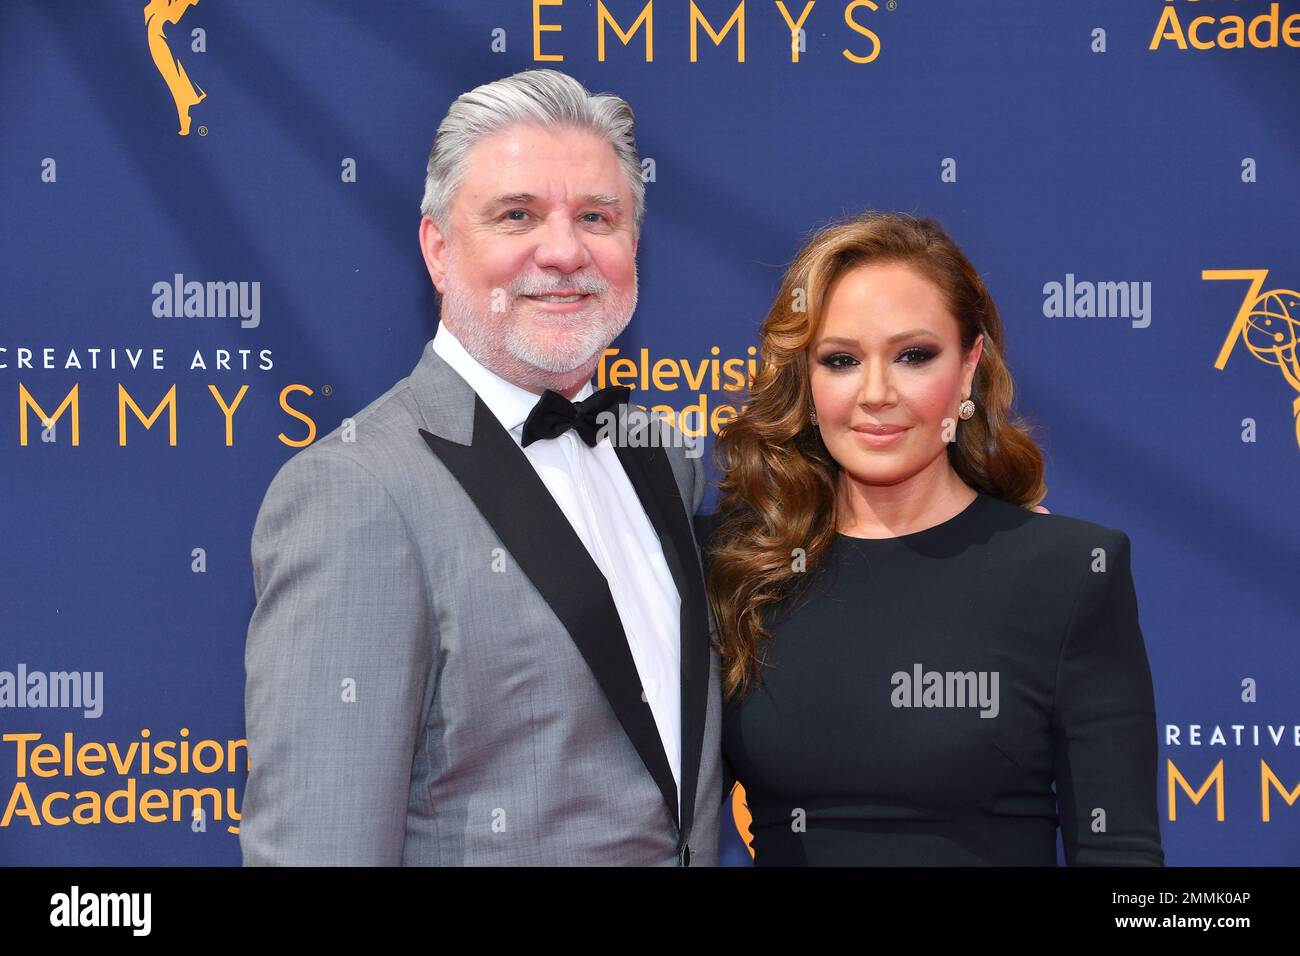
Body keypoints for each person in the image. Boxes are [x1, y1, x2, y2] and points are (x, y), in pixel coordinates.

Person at [240, 69, 721, 866]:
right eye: (517, 215)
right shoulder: (357, 493)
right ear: (437, 248)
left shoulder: (663, 458)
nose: (564, 251)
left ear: (633, 245)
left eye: (597, 217)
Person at [696, 211, 1163, 866]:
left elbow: (1122, 857)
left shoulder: (1067, 571)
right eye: (841, 360)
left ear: (969, 365)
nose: (876, 394)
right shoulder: (729, 565)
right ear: (806, 378)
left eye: (914, 355)